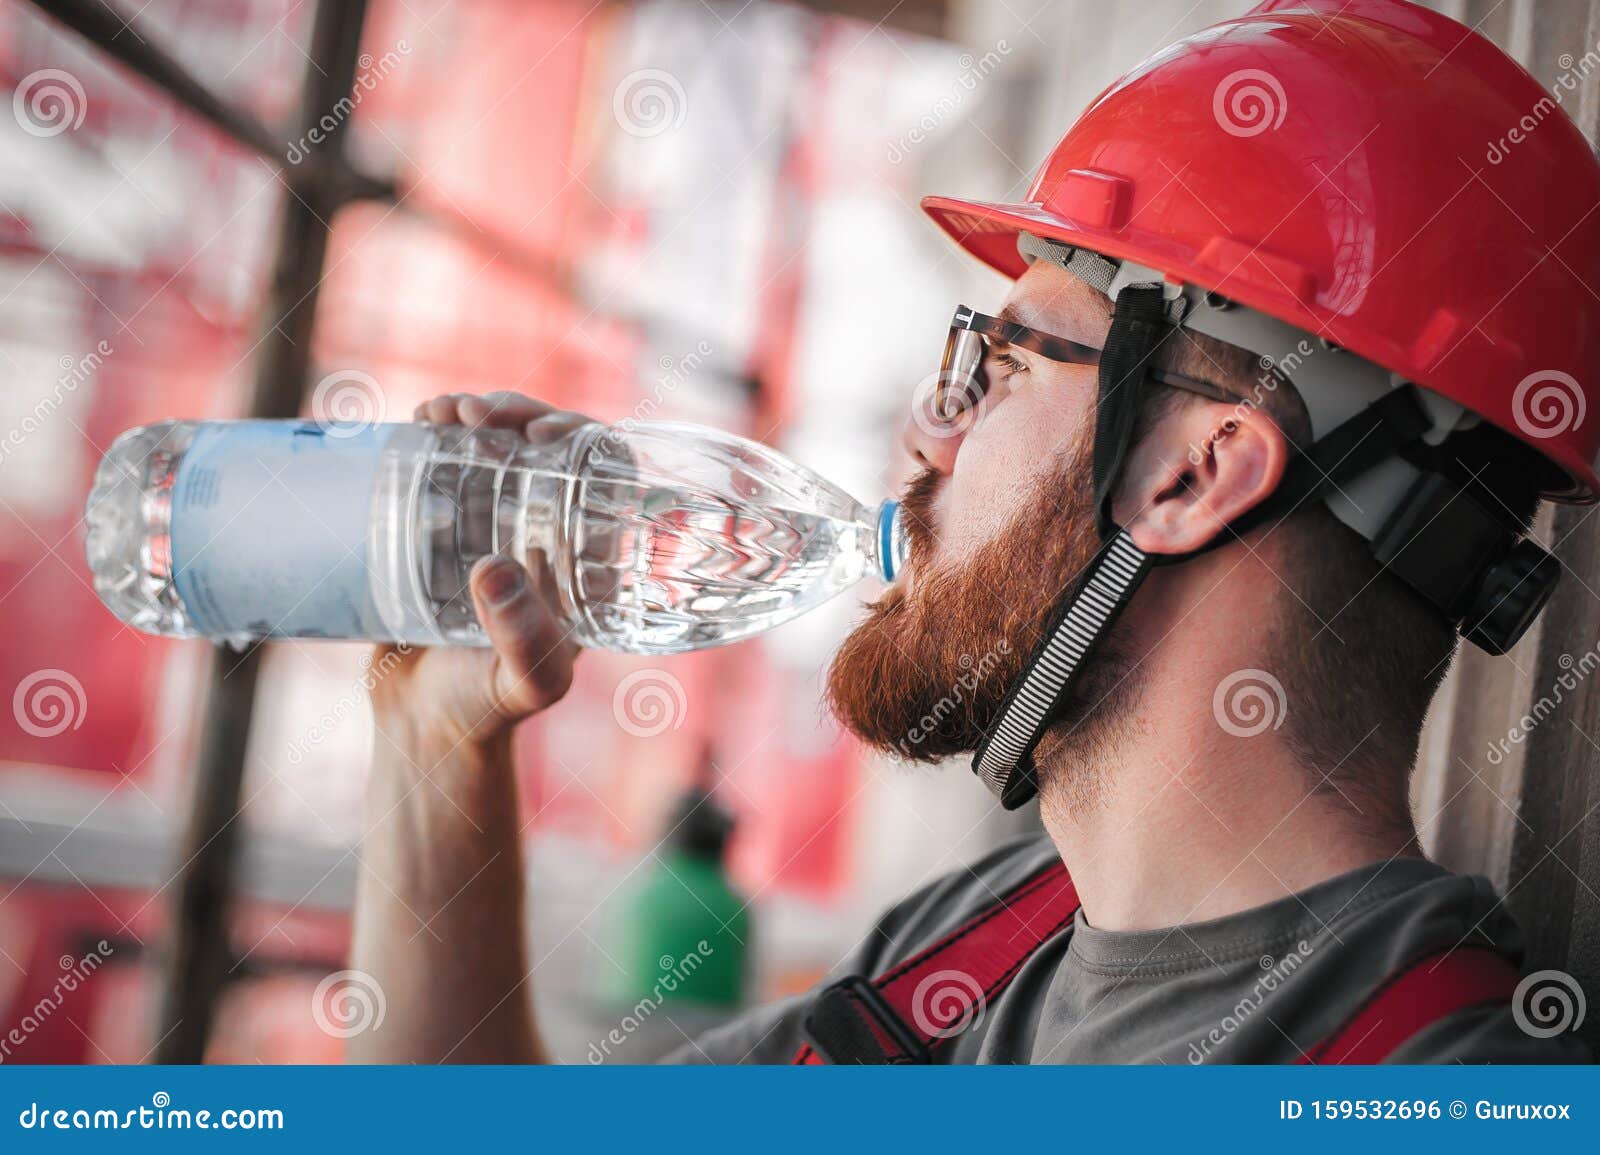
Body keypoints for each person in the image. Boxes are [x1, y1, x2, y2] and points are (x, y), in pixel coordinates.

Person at [348, 0, 1597, 1063]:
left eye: (997, 365)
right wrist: (432, 749)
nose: (926, 431)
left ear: (1192, 473)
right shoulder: (977, 956)